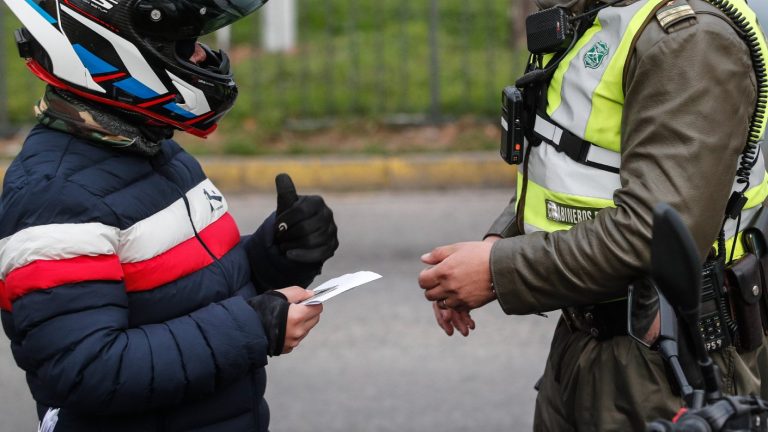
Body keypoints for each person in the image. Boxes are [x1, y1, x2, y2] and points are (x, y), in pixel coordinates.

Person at [418, 0, 768, 429]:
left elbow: (650, 235)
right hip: (585, 339)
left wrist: (497, 270)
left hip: (666, 361)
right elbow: (577, 171)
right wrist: (500, 241)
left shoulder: (689, 39)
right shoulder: (602, 13)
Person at [0, 0, 339, 430]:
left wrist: (278, 253)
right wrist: (253, 328)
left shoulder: (150, 150)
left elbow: (187, 293)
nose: (200, 55)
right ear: (107, 46)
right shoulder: (54, 194)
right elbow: (87, 370)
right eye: (182, 42)